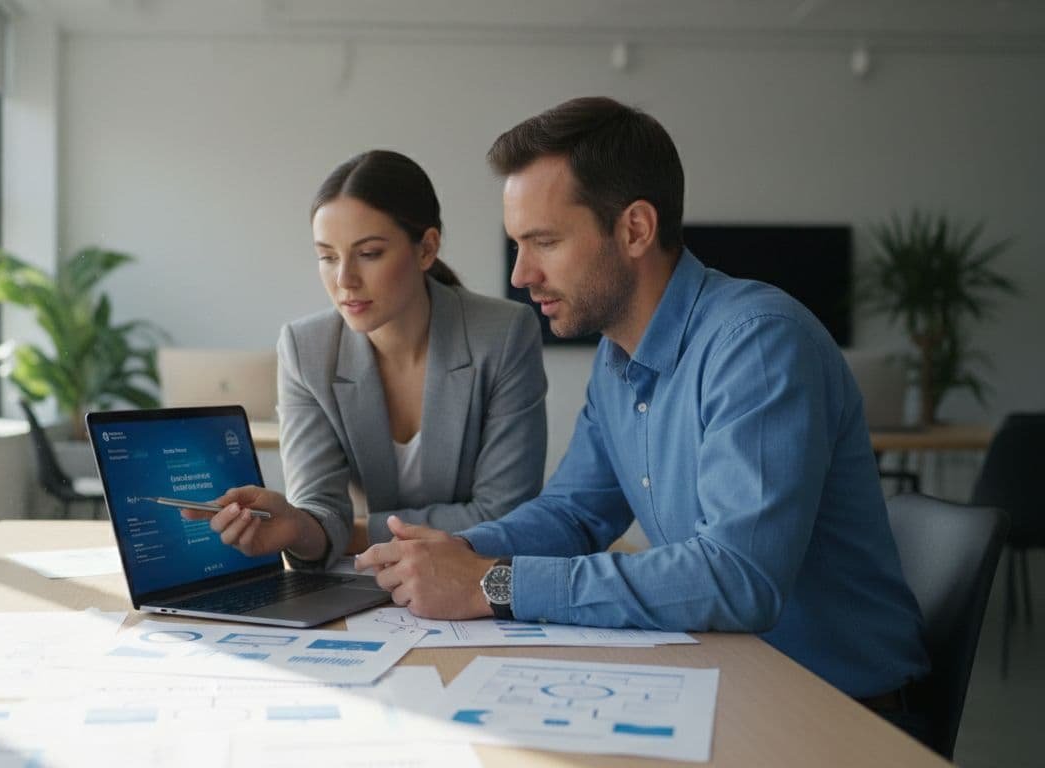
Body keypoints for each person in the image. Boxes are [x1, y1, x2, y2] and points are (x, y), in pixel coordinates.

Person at [353, 98, 930, 703]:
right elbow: (574, 514)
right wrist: (460, 553)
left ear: (634, 229)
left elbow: (739, 579)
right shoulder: (618, 357)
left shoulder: (757, 344)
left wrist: (492, 584)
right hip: (730, 674)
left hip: (840, 704)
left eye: (543, 242)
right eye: (517, 245)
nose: (521, 275)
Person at [183, 149, 547, 568]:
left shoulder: (502, 334)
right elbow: (317, 508)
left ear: (427, 249)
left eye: (369, 253)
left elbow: (504, 515)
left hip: (470, 579)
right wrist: (297, 527)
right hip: (361, 587)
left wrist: (350, 532)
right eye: (327, 256)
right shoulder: (306, 349)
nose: (344, 280)